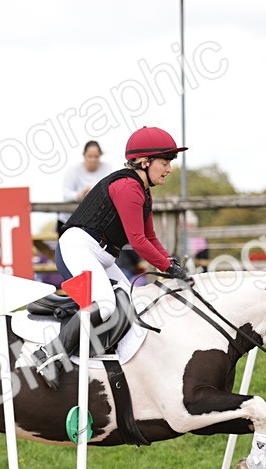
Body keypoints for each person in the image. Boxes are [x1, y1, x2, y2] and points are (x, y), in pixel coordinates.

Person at [29, 126, 190, 389]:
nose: (169, 169)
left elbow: (150, 236)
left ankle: (105, 352)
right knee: (104, 305)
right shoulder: (128, 187)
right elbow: (138, 241)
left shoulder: (143, 190)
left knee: (131, 300)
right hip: (78, 248)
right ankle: (49, 355)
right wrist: (167, 268)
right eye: (165, 162)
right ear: (145, 161)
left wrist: (170, 262)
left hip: (101, 255)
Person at [58, 140, 114, 229]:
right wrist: (79, 195)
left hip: (93, 221)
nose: (93, 160)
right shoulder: (73, 170)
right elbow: (66, 194)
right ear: (84, 155)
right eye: (90, 156)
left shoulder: (107, 168)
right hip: (68, 220)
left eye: (96, 156)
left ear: (100, 156)